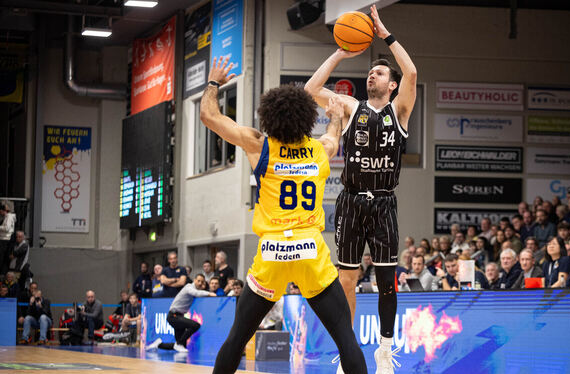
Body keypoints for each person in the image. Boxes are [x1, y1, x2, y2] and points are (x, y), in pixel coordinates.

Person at [200, 56, 367, 374]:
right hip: (310, 251)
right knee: (346, 340)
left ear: (269, 117)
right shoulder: (319, 151)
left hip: (273, 252)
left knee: (237, 338)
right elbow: (333, 137)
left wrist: (213, 83)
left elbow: (209, 115)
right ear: (307, 118)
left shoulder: (258, 145)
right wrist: (334, 117)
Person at [304, 6, 417, 373]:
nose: (373, 74)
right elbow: (309, 90)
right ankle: (349, 352)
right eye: (371, 71)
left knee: (386, 281)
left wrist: (385, 33)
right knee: (346, 280)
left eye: (380, 72)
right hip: (351, 201)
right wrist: (339, 51)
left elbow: (412, 71)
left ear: (392, 84)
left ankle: (385, 349)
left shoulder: (399, 110)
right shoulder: (352, 108)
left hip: (384, 203)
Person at [145, 274, 216, 353]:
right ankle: (178, 344)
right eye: (198, 281)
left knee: (181, 345)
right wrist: (209, 293)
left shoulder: (196, 289)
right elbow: (195, 293)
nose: (200, 283)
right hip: (173, 316)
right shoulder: (189, 287)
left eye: (202, 282)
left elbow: (197, 292)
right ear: (194, 280)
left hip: (178, 316)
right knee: (196, 325)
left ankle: (158, 344)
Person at [0, 203, 16, 275]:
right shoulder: (6, 217)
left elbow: (7, 228)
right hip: (3, 239)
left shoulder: (9, 217)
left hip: (5, 240)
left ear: (3, 210)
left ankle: (3, 273)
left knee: (3, 258)